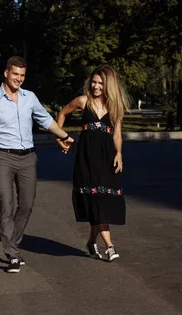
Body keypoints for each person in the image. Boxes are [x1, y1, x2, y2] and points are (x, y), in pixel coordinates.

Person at [0, 56, 74, 273]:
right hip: (4, 159)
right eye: (15, 74)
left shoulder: (30, 98)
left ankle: (13, 244)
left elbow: (46, 120)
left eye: (22, 75)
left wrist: (64, 135)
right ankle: (12, 255)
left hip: (28, 158)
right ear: (6, 73)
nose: (18, 79)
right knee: (6, 205)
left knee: (26, 204)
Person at [56, 65, 131, 262]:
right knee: (96, 200)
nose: (96, 86)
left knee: (103, 201)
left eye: (101, 83)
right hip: (87, 156)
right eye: (94, 82)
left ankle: (91, 241)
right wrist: (60, 138)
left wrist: (119, 154)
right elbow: (62, 114)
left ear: (109, 86)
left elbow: (116, 134)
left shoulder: (115, 106)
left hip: (107, 157)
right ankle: (110, 247)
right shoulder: (83, 101)